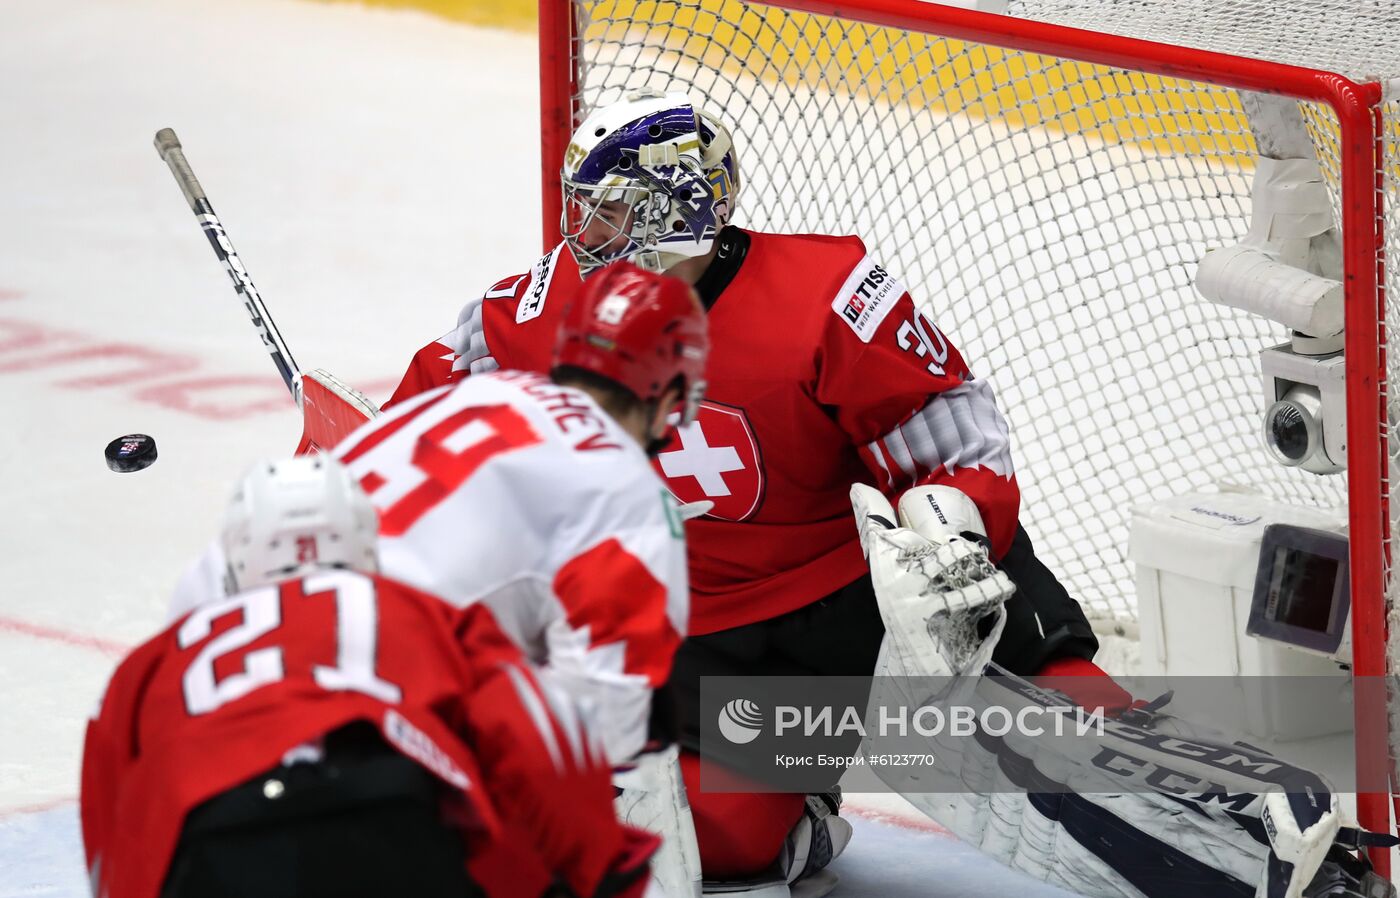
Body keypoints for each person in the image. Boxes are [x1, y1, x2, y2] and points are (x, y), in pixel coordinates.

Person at [387, 89, 1108, 894]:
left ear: (684, 209)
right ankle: (801, 815)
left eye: (614, 213)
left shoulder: (823, 296)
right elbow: (423, 421)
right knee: (701, 840)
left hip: (871, 590)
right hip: (719, 636)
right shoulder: (534, 312)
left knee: (1062, 706)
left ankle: (1169, 769)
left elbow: (950, 431)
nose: (583, 237)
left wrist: (954, 543)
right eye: (583, 210)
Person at [81, 455, 658, 898]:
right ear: (363, 543)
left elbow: (109, 821)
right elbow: (536, 735)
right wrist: (598, 868)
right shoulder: (418, 611)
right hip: (386, 816)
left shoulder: (151, 661)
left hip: (212, 842)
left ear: (234, 559)